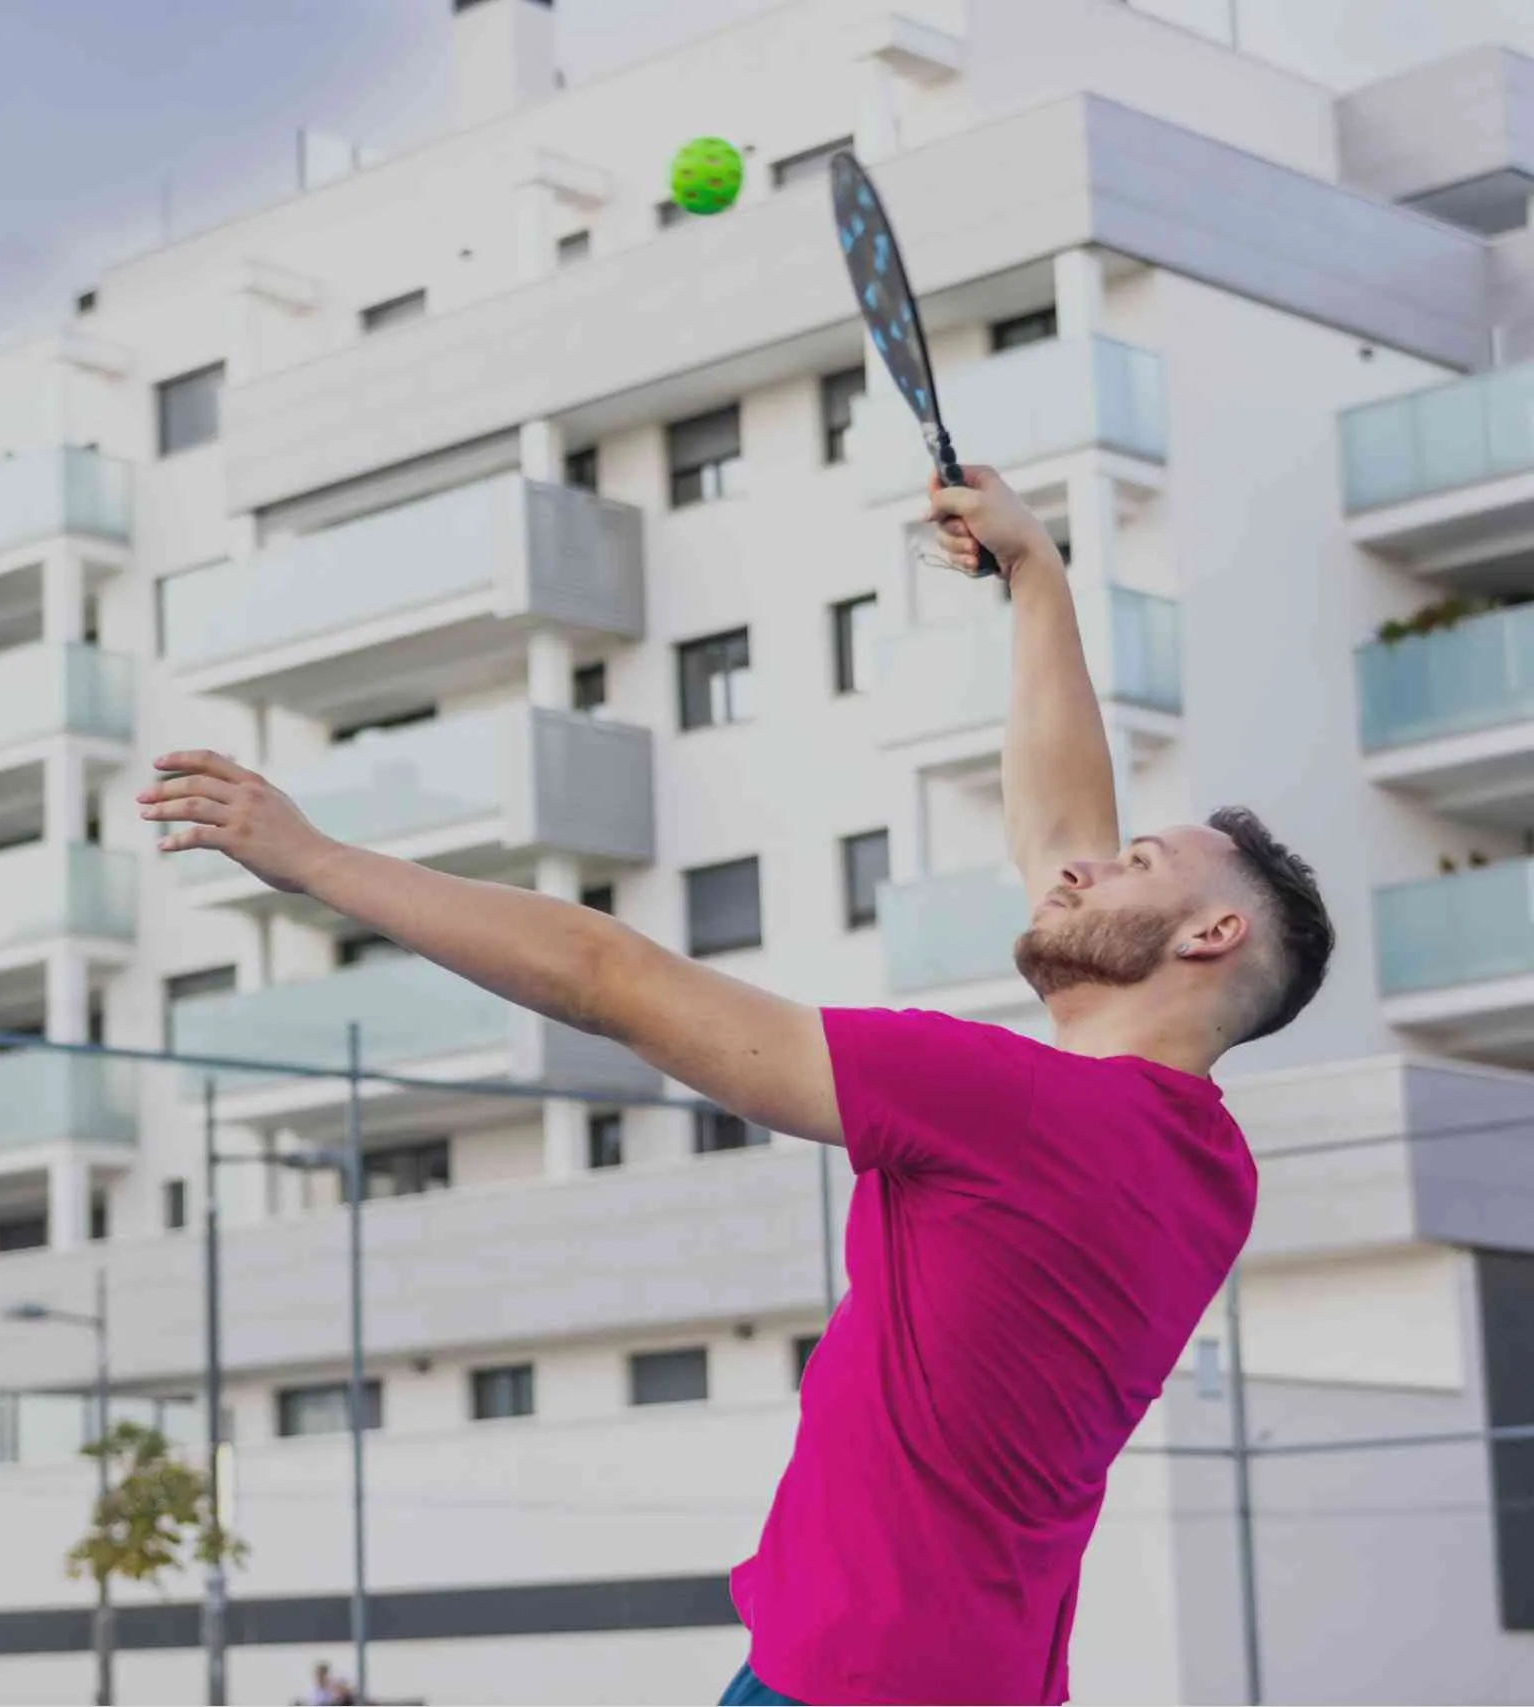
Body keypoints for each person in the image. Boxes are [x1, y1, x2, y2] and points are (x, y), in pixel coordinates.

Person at [139, 467, 1335, 1707]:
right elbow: (1062, 828)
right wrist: (1035, 577)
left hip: (850, 1686)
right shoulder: (1204, 1169)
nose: (1081, 874)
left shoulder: (1002, 1106)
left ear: (1207, 941)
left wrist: (318, 859)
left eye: (1135, 867)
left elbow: (611, 976)